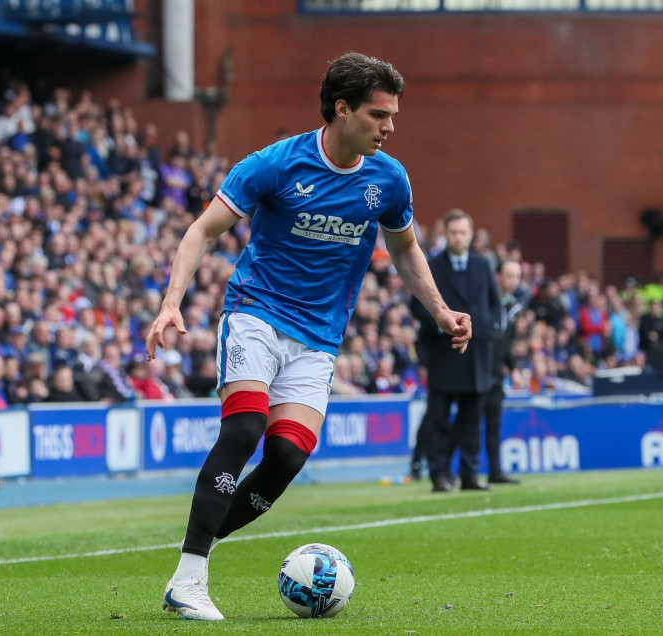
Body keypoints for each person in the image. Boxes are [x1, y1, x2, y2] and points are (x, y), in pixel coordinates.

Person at [143, 53, 471, 621]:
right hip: (257, 314)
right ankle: (191, 578)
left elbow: (404, 248)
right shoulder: (273, 165)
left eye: (392, 115)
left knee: (287, 457)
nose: (389, 126)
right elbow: (201, 230)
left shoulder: (388, 179)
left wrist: (441, 310)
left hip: (318, 338)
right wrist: (170, 303)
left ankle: (191, 559)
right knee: (245, 428)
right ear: (341, 110)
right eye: (378, 115)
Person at [411, 209, 498, 493]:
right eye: (453, 232)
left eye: (463, 232)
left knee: (472, 420)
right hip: (443, 353)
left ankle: (470, 474)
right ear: (444, 235)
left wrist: (488, 330)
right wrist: (444, 325)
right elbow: (417, 307)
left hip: (477, 356)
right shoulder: (431, 265)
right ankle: (439, 475)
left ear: (471, 235)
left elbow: (494, 304)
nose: (458, 237)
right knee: (438, 418)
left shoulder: (483, 265)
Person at [482, 259, 524, 485]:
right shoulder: (486, 300)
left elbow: (506, 344)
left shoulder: (513, 307)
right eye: (509, 275)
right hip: (479, 369)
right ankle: (443, 469)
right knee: (467, 423)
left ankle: (495, 471)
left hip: (497, 372)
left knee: (494, 424)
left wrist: (514, 368)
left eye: (517, 277)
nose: (513, 281)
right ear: (498, 276)